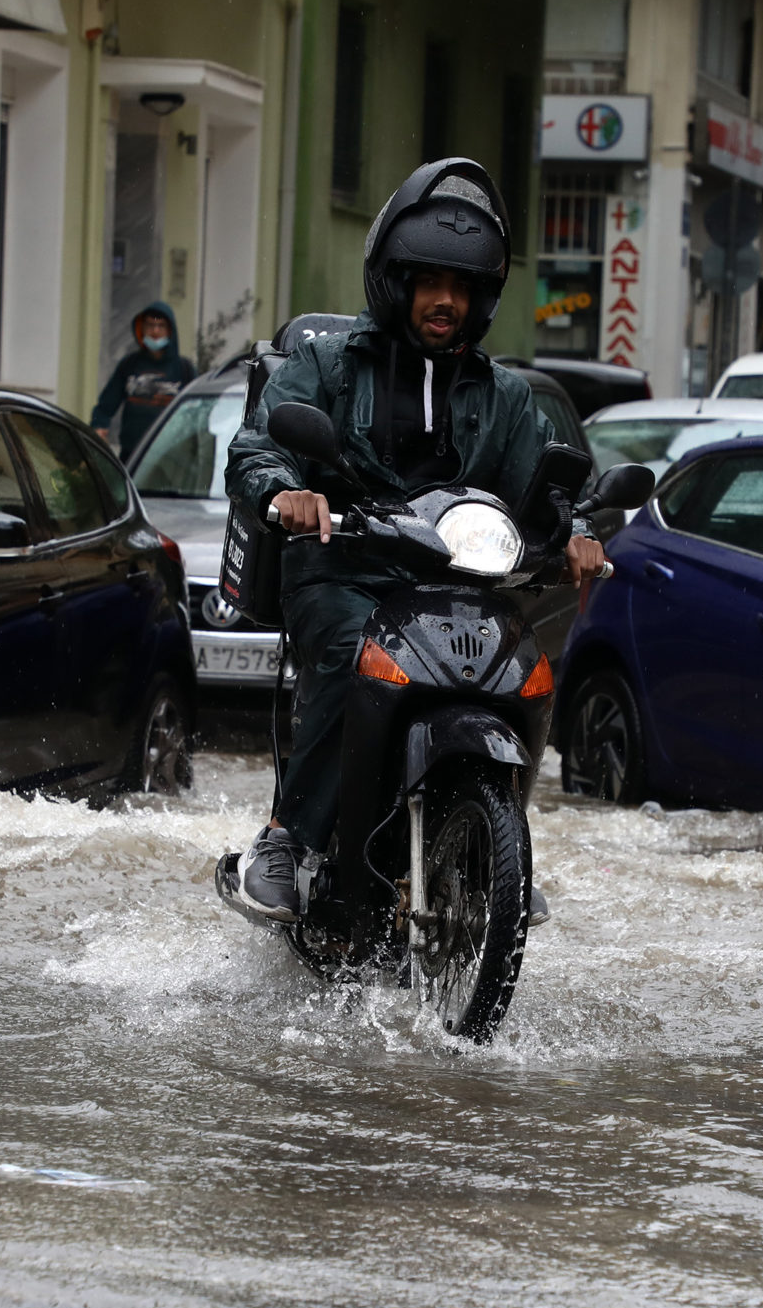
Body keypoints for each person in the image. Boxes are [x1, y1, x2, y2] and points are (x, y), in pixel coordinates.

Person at [221, 158, 607, 924]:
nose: (445, 302)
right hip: (344, 567)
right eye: (431, 282)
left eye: (461, 289)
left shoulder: (503, 396)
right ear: (395, 282)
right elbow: (259, 447)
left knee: (519, 667)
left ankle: (495, 846)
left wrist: (581, 532)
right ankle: (288, 841)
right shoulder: (328, 364)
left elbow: (555, 485)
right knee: (343, 653)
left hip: (456, 582)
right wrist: (287, 493)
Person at [89, 302, 195, 457]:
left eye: (161, 326)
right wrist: (99, 426)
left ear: (170, 331)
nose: (155, 331)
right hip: (132, 456)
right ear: (141, 328)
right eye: (150, 325)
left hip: (171, 459)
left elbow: (196, 415)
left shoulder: (184, 369)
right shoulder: (129, 365)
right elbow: (106, 405)